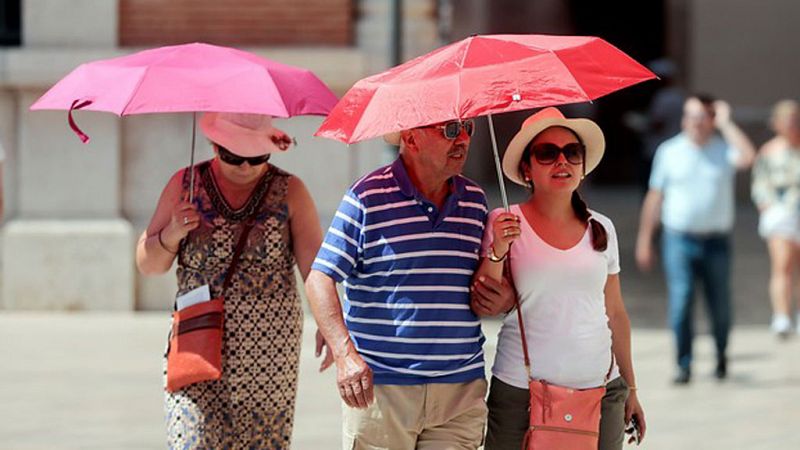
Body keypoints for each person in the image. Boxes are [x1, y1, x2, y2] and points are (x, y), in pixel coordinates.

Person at [305, 118, 513, 449]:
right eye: (448, 130)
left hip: (459, 388)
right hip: (381, 390)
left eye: (467, 129)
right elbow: (320, 277)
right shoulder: (366, 197)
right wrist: (344, 354)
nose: (462, 139)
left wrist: (502, 296)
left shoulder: (475, 200)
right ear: (411, 139)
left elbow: (487, 290)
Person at [135, 112, 324, 449]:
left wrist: (330, 324)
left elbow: (314, 268)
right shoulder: (186, 184)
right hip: (197, 341)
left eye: (257, 158)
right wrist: (173, 232)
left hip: (269, 353)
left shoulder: (289, 189)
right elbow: (148, 264)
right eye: (234, 156)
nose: (246, 167)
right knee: (190, 440)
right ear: (214, 144)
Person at [472, 107, 645, 450]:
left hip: (601, 389)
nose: (561, 162)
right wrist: (497, 251)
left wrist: (631, 388)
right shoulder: (503, 223)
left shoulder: (602, 227)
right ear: (527, 169)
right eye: (547, 153)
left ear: (582, 166)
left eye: (572, 153)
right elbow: (483, 300)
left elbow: (616, 312)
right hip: (522, 390)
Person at [636, 95, 756, 384]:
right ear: (683, 119)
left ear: (712, 118)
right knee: (682, 300)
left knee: (720, 304)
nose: (695, 122)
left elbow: (749, 157)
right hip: (678, 239)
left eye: (702, 116)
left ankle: (721, 358)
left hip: (716, 241)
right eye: (690, 115)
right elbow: (655, 196)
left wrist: (727, 124)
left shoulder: (723, 148)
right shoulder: (670, 151)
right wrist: (645, 239)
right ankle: (684, 364)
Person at [751, 99, 800, 337]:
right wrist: (767, 207)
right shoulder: (770, 151)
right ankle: (781, 315)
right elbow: (760, 183)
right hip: (782, 213)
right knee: (783, 265)